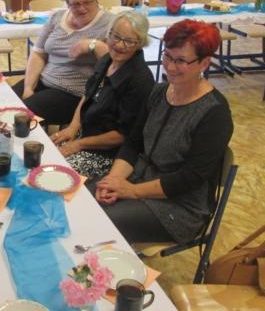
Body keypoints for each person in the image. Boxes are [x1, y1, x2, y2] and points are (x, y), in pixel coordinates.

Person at [92, 19, 233, 244]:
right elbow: (133, 143)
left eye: (181, 60)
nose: (170, 66)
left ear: (204, 63)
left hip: (178, 207)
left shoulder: (214, 113)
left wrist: (132, 191)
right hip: (138, 180)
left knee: (97, 221)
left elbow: (190, 178)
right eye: (167, 56)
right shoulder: (159, 93)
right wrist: (114, 180)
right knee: (81, 197)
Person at [52, 11, 155, 179]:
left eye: (129, 41)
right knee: (44, 153)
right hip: (84, 135)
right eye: (116, 37)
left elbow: (123, 136)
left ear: (140, 44)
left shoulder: (140, 80)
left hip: (107, 153)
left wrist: (79, 144)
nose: (119, 45)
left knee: (57, 174)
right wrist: (73, 126)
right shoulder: (107, 59)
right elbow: (87, 95)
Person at [12, 0, 111, 125]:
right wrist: (28, 87)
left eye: (87, 2)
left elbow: (114, 64)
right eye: (75, 4)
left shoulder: (110, 23)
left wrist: (94, 45)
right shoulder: (57, 17)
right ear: (67, 4)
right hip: (44, 80)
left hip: (74, 93)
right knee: (4, 103)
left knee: (19, 117)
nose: (82, 8)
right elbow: (38, 53)